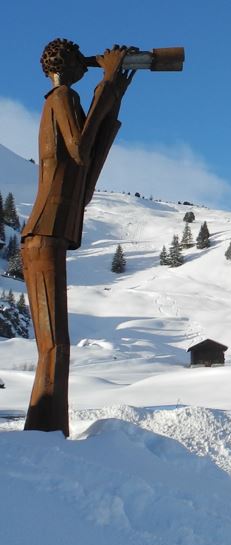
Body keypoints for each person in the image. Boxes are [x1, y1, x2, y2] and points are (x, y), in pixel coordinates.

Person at [23, 41, 134, 435]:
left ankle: (46, 434)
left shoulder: (61, 100)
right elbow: (81, 148)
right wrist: (104, 85)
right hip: (45, 229)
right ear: (68, 66)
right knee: (55, 346)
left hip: (49, 231)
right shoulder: (63, 97)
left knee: (55, 347)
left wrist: (113, 95)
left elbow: (83, 179)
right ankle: (45, 438)